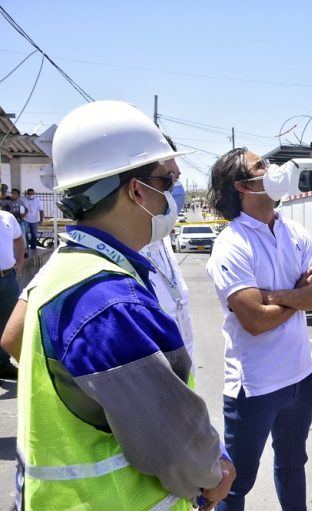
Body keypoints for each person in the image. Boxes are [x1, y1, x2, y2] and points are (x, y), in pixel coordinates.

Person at [1, 100, 235, 510]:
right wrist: (215, 474)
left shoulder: (68, 267)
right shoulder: (109, 303)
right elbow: (178, 448)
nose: (173, 196)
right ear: (136, 190)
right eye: (167, 181)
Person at [206, 148, 312, 510]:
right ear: (243, 186)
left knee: (293, 465)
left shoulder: (295, 232)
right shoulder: (232, 244)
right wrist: (299, 296)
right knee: (235, 482)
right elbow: (255, 321)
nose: (273, 170)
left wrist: (275, 296)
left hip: (299, 377)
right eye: (262, 166)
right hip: (254, 386)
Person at [139, 135, 196, 371]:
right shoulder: (100, 258)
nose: (177, 191)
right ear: (136, 189)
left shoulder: (159, 237)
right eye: (168, 181)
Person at [0, 207, 24, 380]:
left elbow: (19, 240)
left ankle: (2, 364)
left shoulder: (7, 217)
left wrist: (20, 264)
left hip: (8, 277)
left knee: (7, 322)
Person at [22, 188, 44, 252]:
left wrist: (41, 220)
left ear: (34, 194)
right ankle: (27, 246)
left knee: (34, 234)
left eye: (32, 194)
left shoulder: (38, 200)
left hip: (35, 220)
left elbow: (41, 211)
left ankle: (33, 248)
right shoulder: (23, 200)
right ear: (26, 194)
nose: (30, 195)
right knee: (25, 233)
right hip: (25, 219)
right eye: (29, 194)